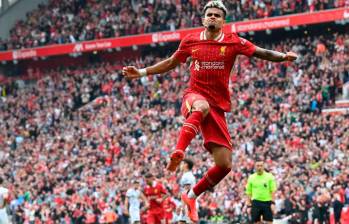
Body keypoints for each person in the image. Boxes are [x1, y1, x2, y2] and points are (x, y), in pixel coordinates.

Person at [122, 0, 297, 221]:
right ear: (204, 19)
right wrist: (141, 72)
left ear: (223, 21)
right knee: (201, 105)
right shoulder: (191, 40)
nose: (212, 17)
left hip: (217, 107)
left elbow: (260, 52)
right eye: (209, 14)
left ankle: (192, 196)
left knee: (224, 165)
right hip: (193, 97)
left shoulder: (233, 42)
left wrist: (283, 57)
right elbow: (170, 63)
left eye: (217, 15)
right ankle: (178, 151)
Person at [245, 160, 277, 224]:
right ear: (255, 167)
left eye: (261, 165)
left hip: (267, 202)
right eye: (257, 166)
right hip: (256, 202)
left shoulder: (269, 176)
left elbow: (273, 191)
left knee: (269, 222)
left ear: (263, 166)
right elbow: (248, 193)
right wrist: (248, 206)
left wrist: (273, 203)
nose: (259, 167)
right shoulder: (251, 177)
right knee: (257, 222)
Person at [177, 159, 196, 223]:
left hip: (187, 204)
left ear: (186, 165)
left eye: (182, 164)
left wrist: (182, 206)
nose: (180, 165)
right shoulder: (188, 175)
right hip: (189, 203)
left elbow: (186, 192)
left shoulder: (187, 176)